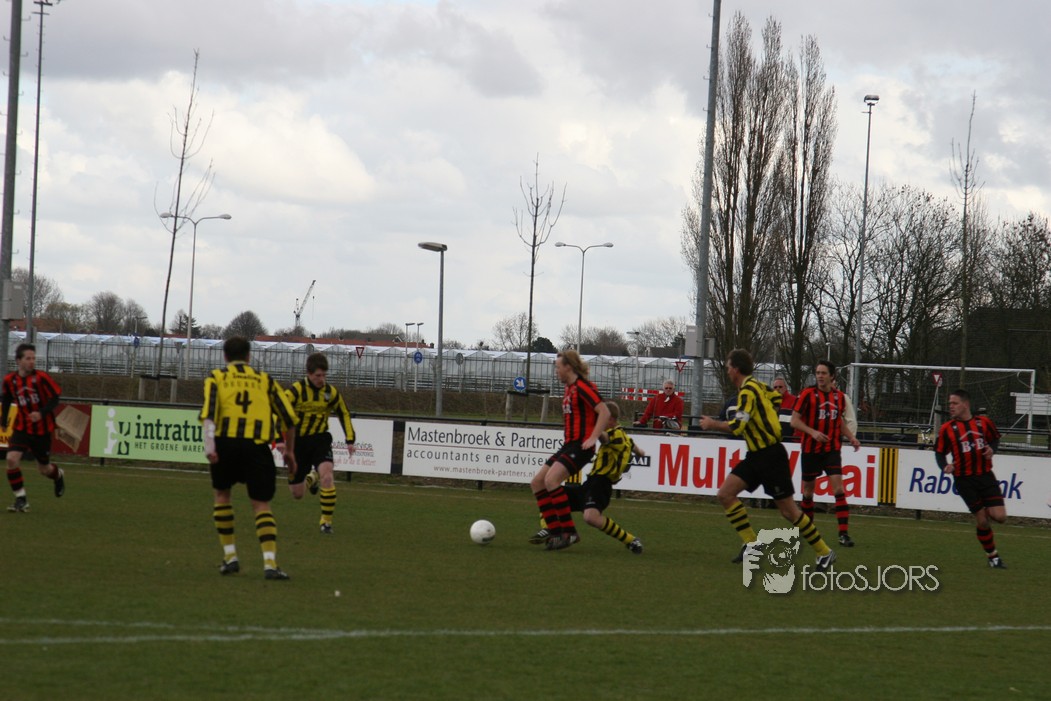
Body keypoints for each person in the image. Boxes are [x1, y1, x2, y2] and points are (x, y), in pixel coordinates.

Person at [699, 348, 836, 571]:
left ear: (736, 369)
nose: (727, 371)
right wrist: (766, 417)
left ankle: (825, 552)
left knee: (789, 512)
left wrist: (712, 424)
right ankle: (751, 544)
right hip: (756, 455)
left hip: (771, 456)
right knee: (725, 494)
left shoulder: (748, 392)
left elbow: (737, 426)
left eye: (728, 367)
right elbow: (776, 398)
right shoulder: (758, 386)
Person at [200, 336, 299, 580]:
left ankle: (231, 557)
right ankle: (270, 564)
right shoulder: (265, 380)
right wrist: (290, 452)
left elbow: (209, 415)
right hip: (256, 447)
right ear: (248, 356)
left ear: (225, 357)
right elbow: (288, 419)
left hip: (225, 445)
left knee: (222, 495)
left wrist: (210, 447)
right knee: (261, 504)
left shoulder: (216, 377)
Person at [529, 349, 610, 551]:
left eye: (558, 367)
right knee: (537, 482)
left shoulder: (583, 387)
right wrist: (600, 435)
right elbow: (590, 415)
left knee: (551, 481)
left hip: (580, 446)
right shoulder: (569, 389)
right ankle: (556, 532)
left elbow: (604, 411)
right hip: (569, 445)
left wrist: (593, 437)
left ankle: (569, 532)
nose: (556, 371)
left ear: (568, 367)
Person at [546, 401, 646, 553]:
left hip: (601, 485)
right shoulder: (626, 438)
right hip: (591, 483)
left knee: (591, 517)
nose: (600, 422)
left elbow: (605, 438)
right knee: (552, 496)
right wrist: (638, 453)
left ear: (610, 419)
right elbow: (639, 451)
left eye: (601, 419)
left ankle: (631, 540)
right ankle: (549, 531)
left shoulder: (616, 434)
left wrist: (591, 426)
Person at [790, 360, 861, 547]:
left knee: (839, 489)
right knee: (808, 492)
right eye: (818, 373)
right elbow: (794, 421)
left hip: (832, 449)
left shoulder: (839, 397)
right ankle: (809, 531)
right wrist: (812, 432)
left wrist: (851, 437)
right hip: (810, 450)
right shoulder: (807, 394)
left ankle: (843, 534)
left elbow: (839, 422)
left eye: (823, 373)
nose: (820, 376)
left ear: (832, 376)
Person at [934, 388, 1007, 569]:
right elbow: (939, 452)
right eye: (950, 403)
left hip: (986, 476)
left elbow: (994, 440)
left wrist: (992, 449)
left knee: (1000, 517)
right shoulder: (947, 429)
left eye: (955, 403)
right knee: (982, 521)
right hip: (964, 480)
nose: (951, 406)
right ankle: (993, 558)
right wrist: (945, 466)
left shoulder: (984, 423)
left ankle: (986, 512)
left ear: (965, 404)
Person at [284, 352, 356, 535]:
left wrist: (350, 439)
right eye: (318, 375)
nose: (322, 379)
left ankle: (326, 522)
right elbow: (279, 411)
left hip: (320, 440)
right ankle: (312, 478)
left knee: (328, 476)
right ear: (308, 374)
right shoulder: (296, 391)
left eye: (324, 375)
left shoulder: (330, 392)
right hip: (298, 443)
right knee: (297, 493)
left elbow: (343, 413)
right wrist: (279, 439)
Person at [2, 343, 65, 512]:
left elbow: (55, 397)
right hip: (22, 427)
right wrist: (3, 421)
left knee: (44, 469)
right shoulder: (10, 380)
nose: (32, 361)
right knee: (11, 459)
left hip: (42, 430)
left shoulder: (41, 378)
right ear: (18, 361)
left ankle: (58, 475)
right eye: (28, 358)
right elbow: (6, 399)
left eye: (33, 358)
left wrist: (41, 413)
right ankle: (21, 499)